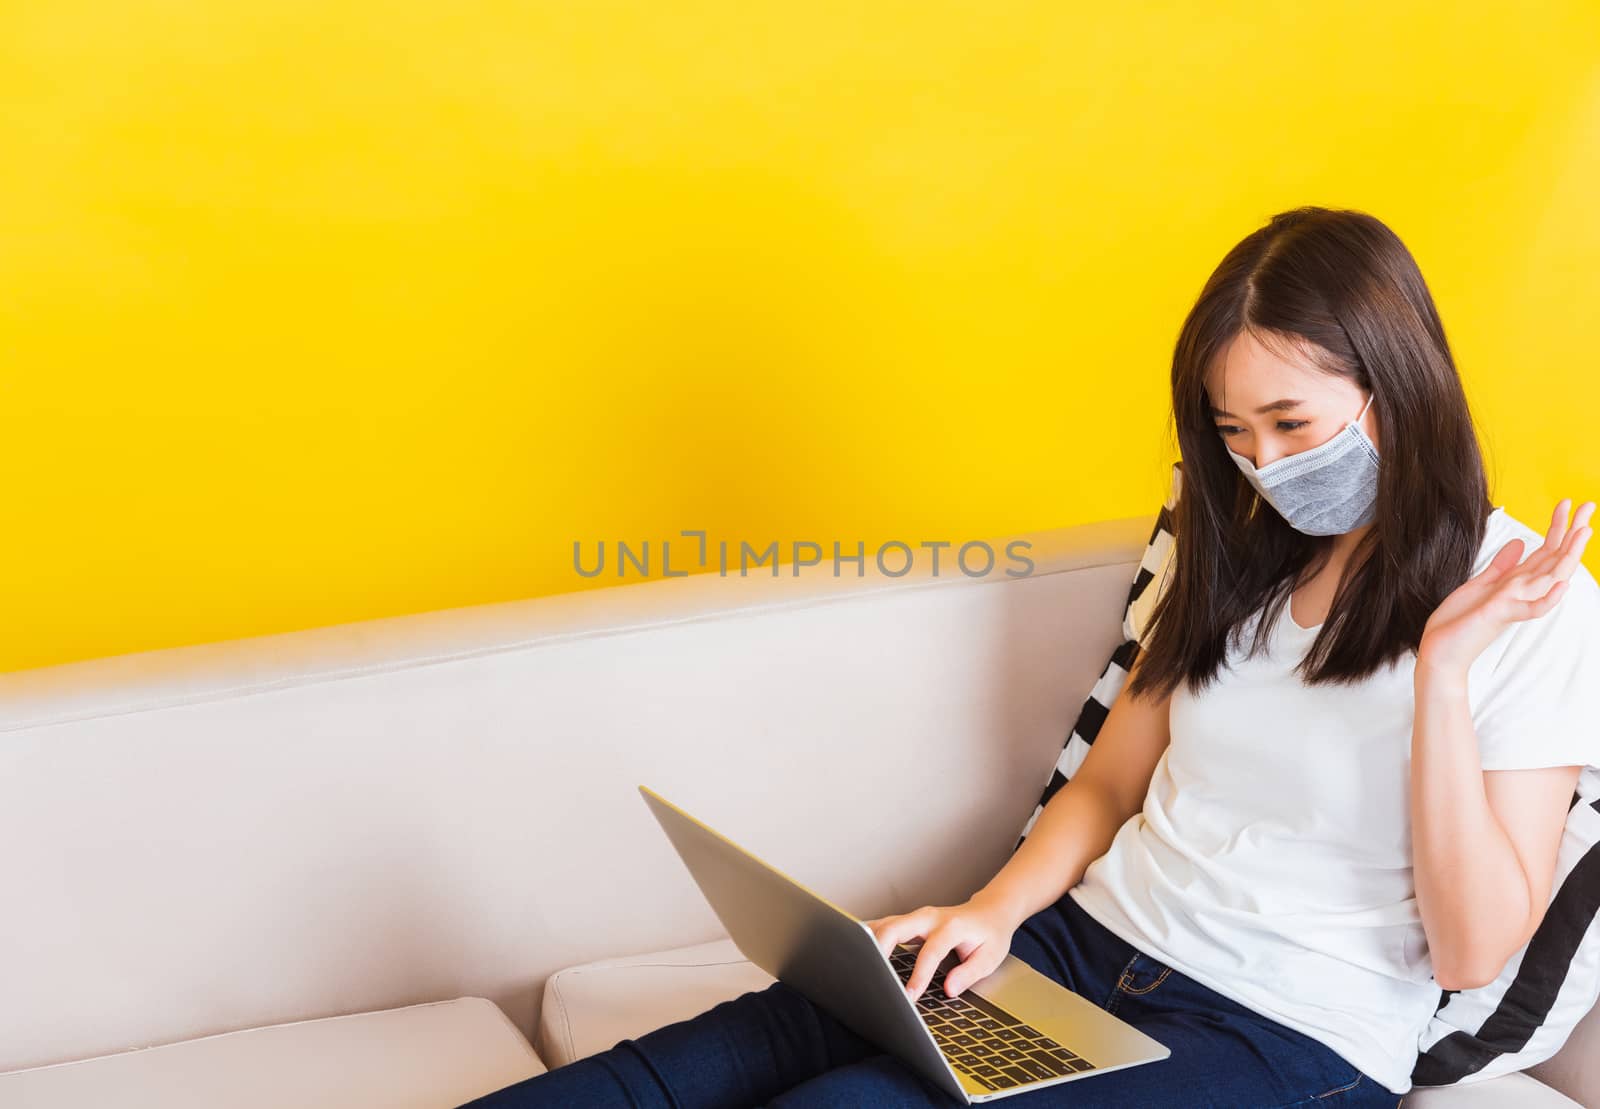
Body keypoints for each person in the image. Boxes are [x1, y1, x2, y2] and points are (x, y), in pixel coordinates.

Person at [459, 206, 1599, 1108]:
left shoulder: (1526, 603)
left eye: (1292, 423)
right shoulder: (1244, 552)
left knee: (847, 1102)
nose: (1262, 463)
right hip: (1085, 944)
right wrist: (991, 912)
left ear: (1393, 385)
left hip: (1284, 1032)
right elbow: (1109, 780)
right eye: (1231, 430)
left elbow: (1472, 941)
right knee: (707, 1056)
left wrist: (1441, 676)